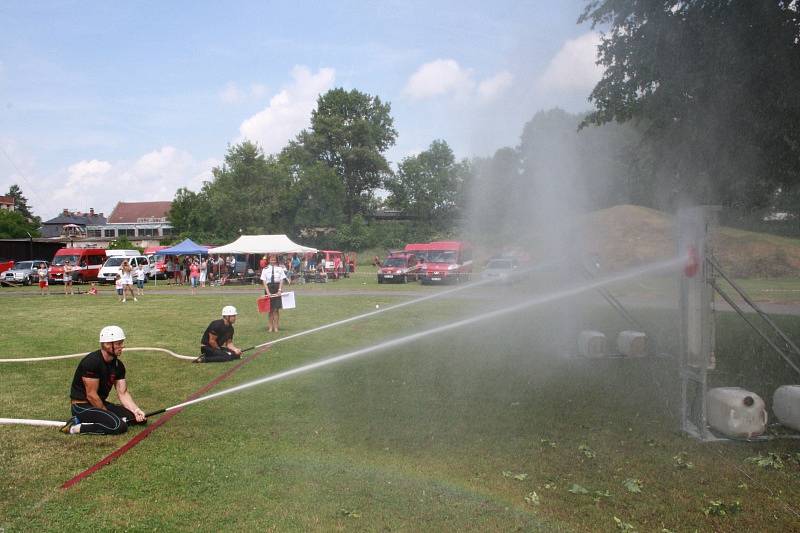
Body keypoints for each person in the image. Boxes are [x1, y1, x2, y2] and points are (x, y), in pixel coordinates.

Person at [60, 325, 146, 435]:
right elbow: (91, 395)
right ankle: (74, 428)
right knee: (119, 426)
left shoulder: (118, 365)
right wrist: (108, 415)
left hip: (99, 403)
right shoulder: (92, 362)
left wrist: (136, 410)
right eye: (119, 343)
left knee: (137, 419)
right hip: (82, 406)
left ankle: (95, 421)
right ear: (107, 344)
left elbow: (123, 393)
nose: (122, 346)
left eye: (122, 343)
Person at [261, 255, 287, 332]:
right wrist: (267, 292)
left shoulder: (280, 268)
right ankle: (270, 327)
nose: (273, 261)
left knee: (276, 309)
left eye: (274, 260)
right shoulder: (265, 269)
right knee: (270, 309)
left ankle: (276, 327)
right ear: (269, 260)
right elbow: (264, 281)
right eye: (271, 260)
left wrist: (279, 290)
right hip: (269, 288)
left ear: (276, 260)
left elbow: (282, 279)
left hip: (277, 287)